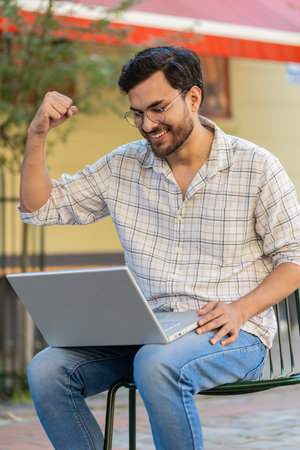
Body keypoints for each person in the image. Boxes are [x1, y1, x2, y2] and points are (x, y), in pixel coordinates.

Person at [19, 46, 300, 450]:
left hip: (230, 331)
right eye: (136, 113)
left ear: (193, 97)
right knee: (47, 370)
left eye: (157, 108)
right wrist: (38, 134)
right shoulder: (123, 166)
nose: (147, 124)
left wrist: (241, 308)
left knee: (156, 365)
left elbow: (294, 258)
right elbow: (39, 206)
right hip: (146, 329)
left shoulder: (257, 167)